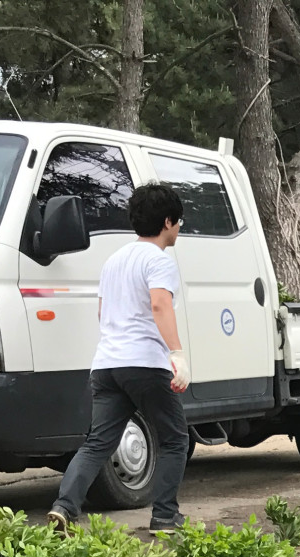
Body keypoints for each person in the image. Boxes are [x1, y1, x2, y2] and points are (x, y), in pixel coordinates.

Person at [49, 182, 191, 534]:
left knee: (98, 442)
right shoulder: (159, 261)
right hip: (145, 362)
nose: (179, 229)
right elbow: (159, 305)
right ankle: (164, 516)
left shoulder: (114, 261)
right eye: (179, 223)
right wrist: (177, 354)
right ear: (168, 222)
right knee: (175, 439)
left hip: (106, 364)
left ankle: (64, 508)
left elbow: (103, 312)